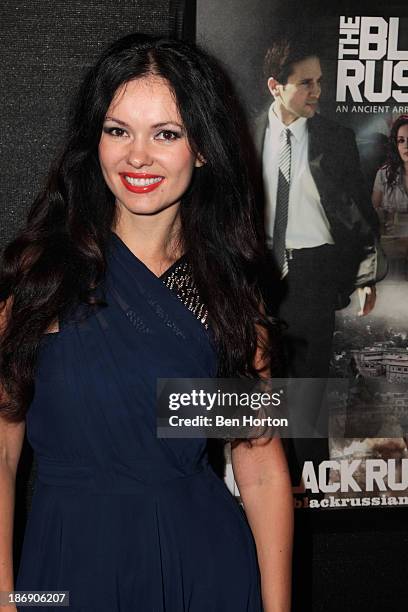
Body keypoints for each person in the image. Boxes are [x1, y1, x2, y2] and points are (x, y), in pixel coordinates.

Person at [0, 34, 293, 612]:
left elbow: (258, 462)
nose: (138, 156)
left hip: (203, 570)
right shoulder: (43, 274)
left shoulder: (228, 289)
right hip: (59, 576)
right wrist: (8, 596)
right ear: (95, 140)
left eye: (166, 133)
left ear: (203, 147)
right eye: (118, 131)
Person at [255, 34, 380, 381]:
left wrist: (365, 277)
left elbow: (359, 213)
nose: (317, 91)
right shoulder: (243, 136)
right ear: (275, 86)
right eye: (305, 83)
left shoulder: (336, 140)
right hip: (253, 277)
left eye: (319, 81)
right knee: (254, 396)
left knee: (306, 399)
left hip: (313, 278)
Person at [372, 114, 408, 233]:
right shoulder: (383, 174)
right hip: (391, 244)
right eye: (401, 140)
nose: (406, 146)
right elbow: (373, 212)